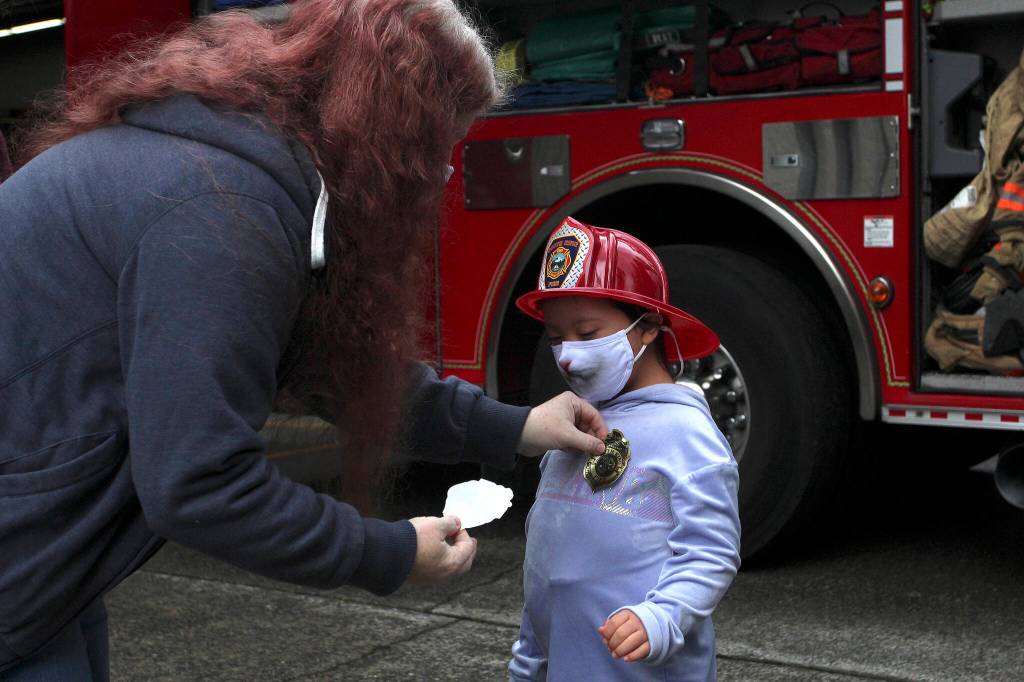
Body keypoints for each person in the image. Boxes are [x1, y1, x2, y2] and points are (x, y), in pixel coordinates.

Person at [0, 1, 609, 678]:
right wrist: (389, 552)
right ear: (395, 132)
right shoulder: (218, 212)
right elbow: (201, 485)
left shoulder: (235, 169)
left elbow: (338, 372)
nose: (441, 177)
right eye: (440, 148)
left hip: (44, 555)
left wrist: (519, 426)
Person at [508, 217, 742, 681]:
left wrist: (662, 617)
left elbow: (710, 551)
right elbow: (546, 568)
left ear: (648, 326)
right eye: (556, 338)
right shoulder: (569, 426)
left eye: (588, 332)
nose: (568, 355)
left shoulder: (685, 431)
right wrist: (529, 659)